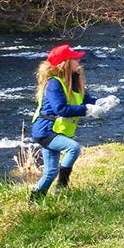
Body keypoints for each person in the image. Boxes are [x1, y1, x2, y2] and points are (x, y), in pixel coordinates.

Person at [29, 44, 95, 202]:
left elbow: (88, 100)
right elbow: (61, 109)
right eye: (75, 59)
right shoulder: (54, 84)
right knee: (73, 148)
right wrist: (87, 110)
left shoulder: (73, 81)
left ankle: (35, 201)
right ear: (66, 62)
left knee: (50, 172)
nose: (79, 61)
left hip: (55, 131)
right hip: (45, 131)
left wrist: (103, 103)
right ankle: (62, 186)